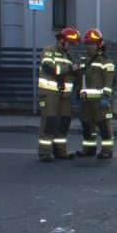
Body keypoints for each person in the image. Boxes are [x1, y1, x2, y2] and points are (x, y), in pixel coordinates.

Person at [37, 27, 81, 161]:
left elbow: (73, 74)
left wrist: (78, 72)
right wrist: (69, 68)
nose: (71, 47)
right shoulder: (49, 51)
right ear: (62, 40)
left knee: (64, 122)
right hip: (50, 93)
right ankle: (45, 152)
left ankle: (60, 151)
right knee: (49, 121)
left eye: (73, 44)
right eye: (70, 43)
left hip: (64, 95)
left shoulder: (68, 56)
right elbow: (49, 68)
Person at [75, 28, 116, 159]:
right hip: (86, 101)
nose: (89, 46)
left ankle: (107, 150)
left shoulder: (105, 60)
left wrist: (106, 97)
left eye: (92, 44)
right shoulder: (84, 60)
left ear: (98, 44)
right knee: (87, 126)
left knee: (104, 126)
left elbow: (109, 80)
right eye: (88, 43)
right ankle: (89, 149)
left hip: (99, 101)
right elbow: (81, 79)